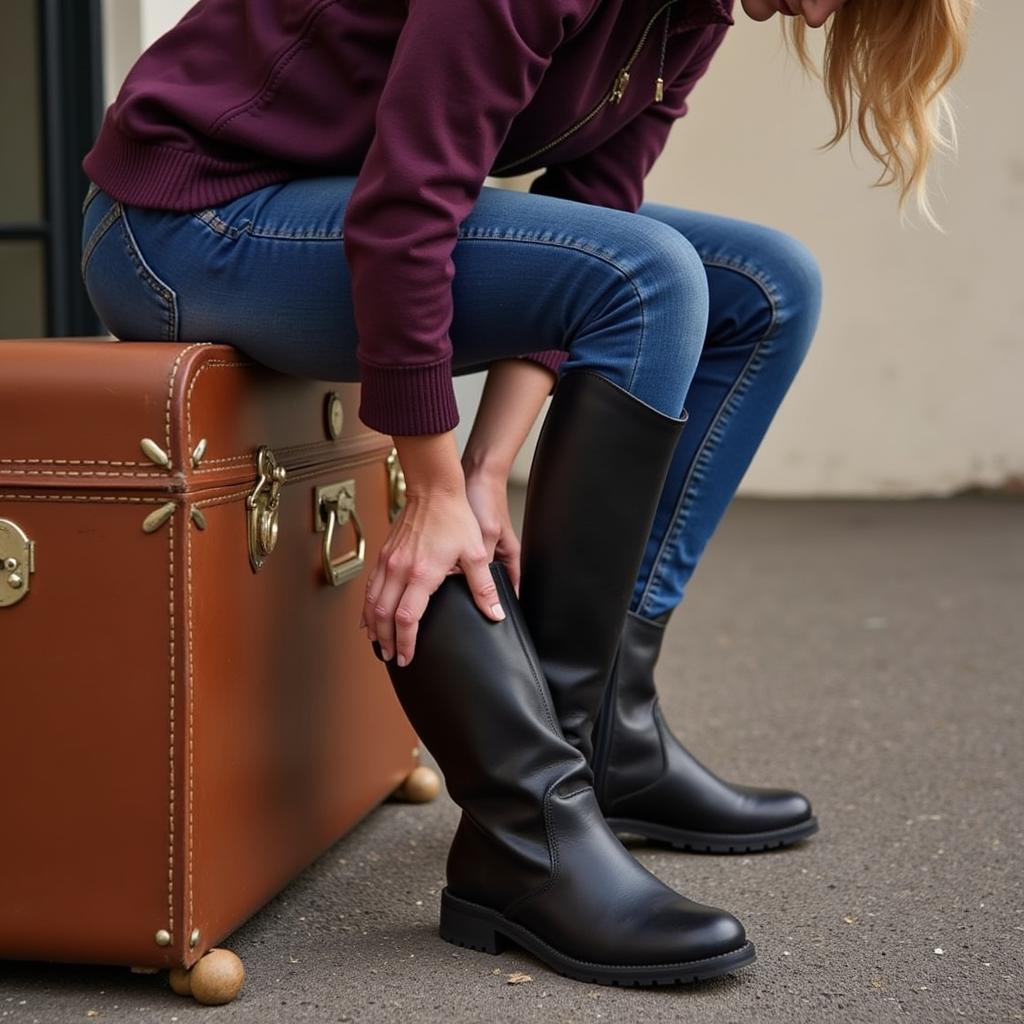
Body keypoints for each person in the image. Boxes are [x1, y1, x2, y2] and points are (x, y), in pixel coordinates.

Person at [80, 0, 973, 986]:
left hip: (341, 204)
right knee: (652, 278)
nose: (818, 13)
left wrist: (484, 470)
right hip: (187, 221)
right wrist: (428, 484)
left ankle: (600, 741)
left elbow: (596, 202)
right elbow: (409, 208)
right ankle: (529, 826)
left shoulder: (697, 10)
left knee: (763, 288)